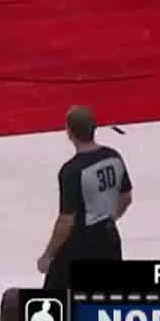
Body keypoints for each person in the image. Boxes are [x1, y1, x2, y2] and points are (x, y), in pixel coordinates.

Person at [37, 106, 131, 290]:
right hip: (110, 238)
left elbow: (67, 220)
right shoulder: (113, 157)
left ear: (69, 132)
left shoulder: (72, 170)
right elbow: (126, 197)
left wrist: (48, 254)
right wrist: (108, 218)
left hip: (81, 243)